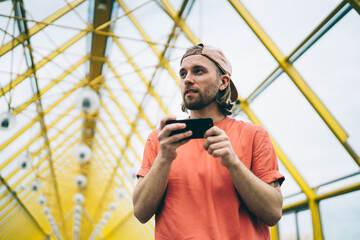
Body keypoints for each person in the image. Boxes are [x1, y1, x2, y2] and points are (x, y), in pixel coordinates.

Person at [133, 43, 285, 240]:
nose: (187, 79)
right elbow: (141, 212)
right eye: (183, 73)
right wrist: (164, 158)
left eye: (198, 71)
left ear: (223, 82)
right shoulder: (161, 140)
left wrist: (233, 163)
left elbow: (273, 213)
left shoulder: (254, 135)